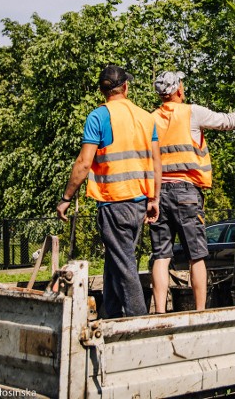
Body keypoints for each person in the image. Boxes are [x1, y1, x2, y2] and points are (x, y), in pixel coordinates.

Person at [149, 71, 235, 312]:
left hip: (158, 194)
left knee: (161, 256)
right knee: (196, 255)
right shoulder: (191, 112)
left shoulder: (150, 119)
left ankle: (159, 313)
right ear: (178, 90)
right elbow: (230, 121)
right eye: (181, 83)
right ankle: (199, 312)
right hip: (186, 193)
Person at [56, 64, 161, 318]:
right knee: (116, 260)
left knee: (124, 265)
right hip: (138, 202)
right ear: (125, 87)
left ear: (103, 91)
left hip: (114, 202)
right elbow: (157, 162)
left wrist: (66, 198)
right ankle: (110, 315)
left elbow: (83, 163)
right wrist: (154, 198)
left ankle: (139, 322)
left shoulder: (99, 117)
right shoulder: (147, 118)